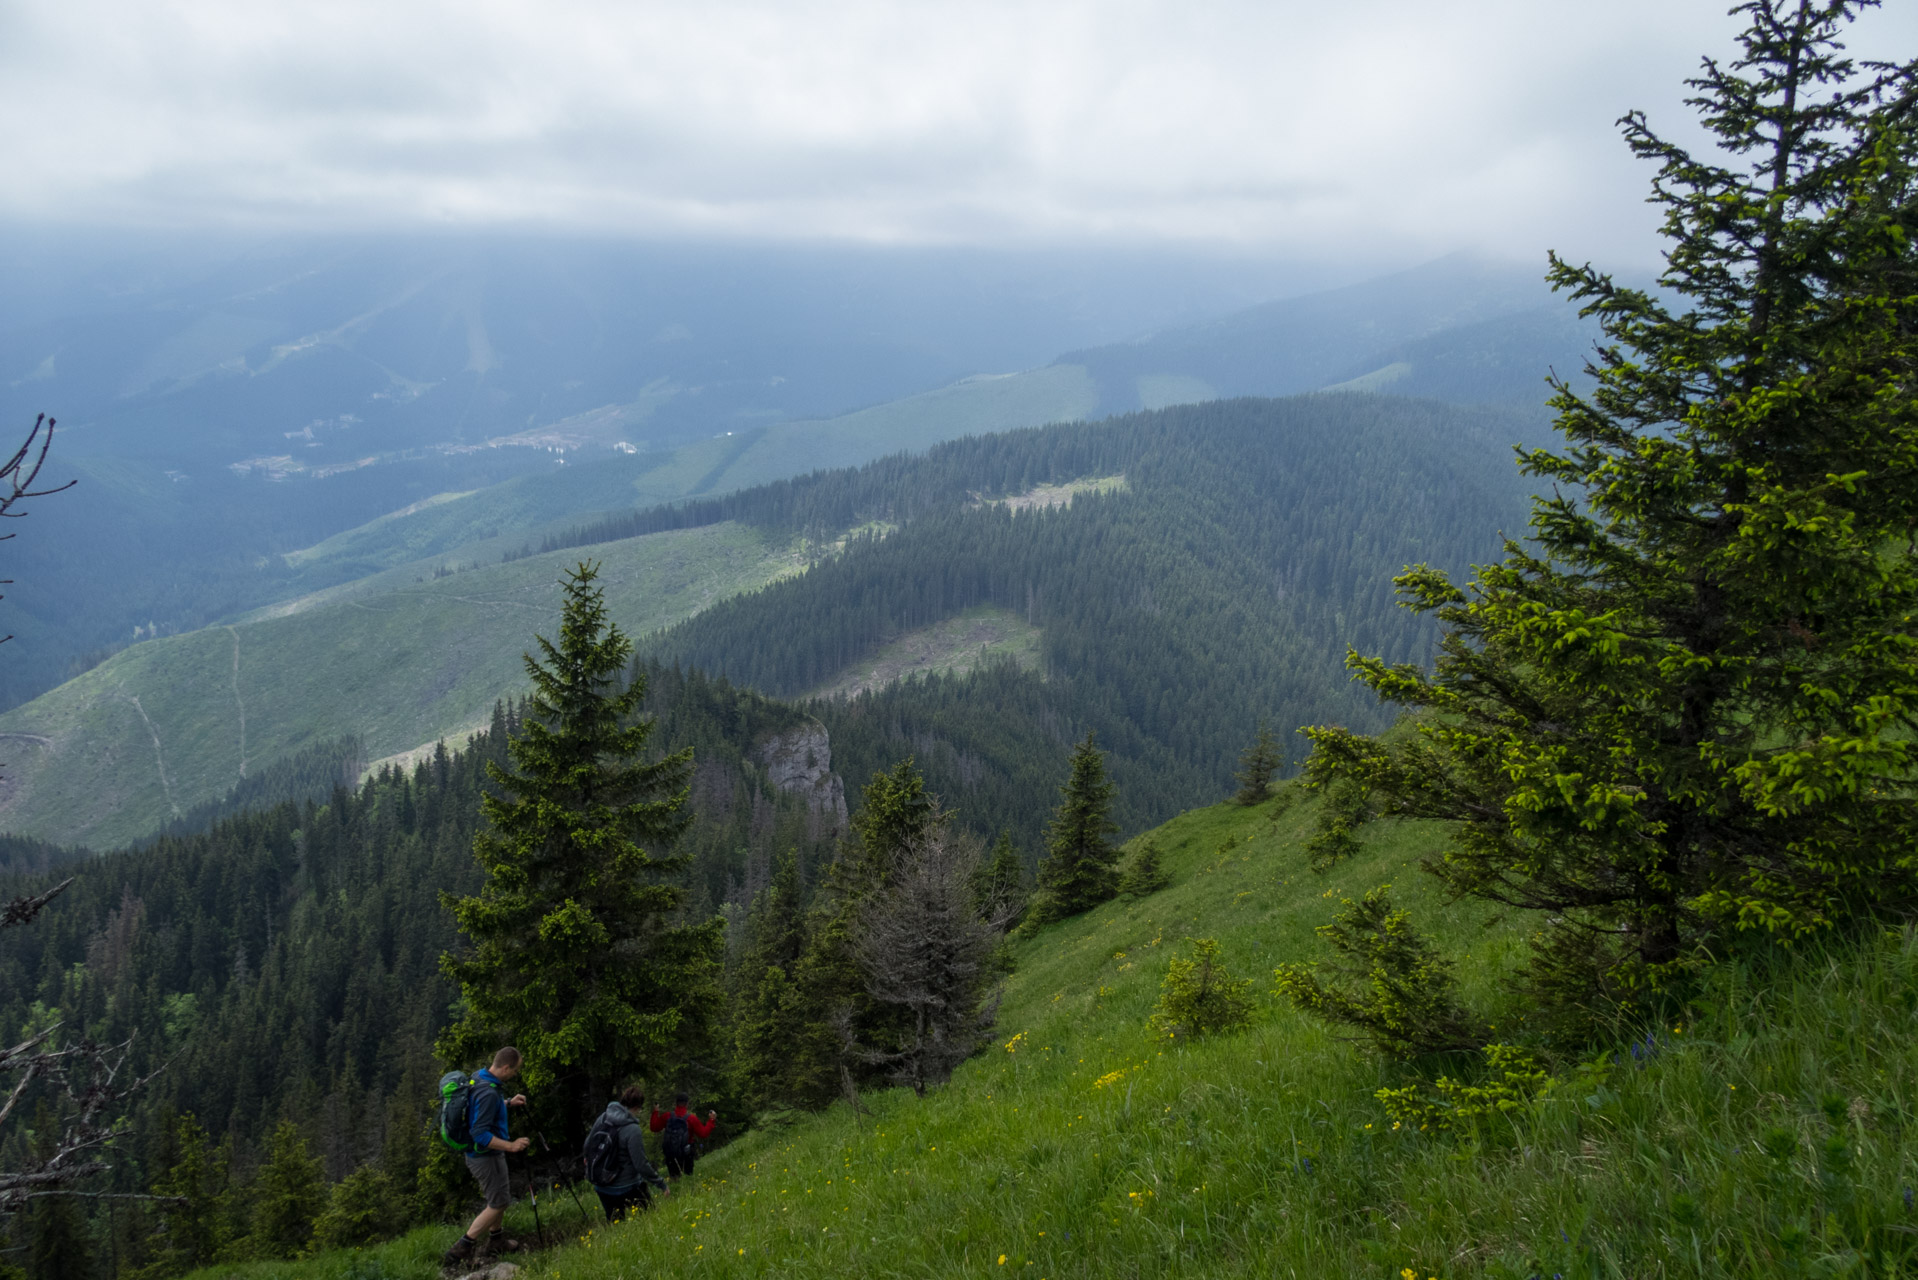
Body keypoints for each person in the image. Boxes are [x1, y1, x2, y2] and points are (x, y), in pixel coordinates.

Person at [441, 1047, 531, 1270]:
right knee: (498, 1202)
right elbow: (479, 1134)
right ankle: (461, 1247)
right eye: (515, 1070)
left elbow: (478, 1109)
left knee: (500, 1196)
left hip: (489, 1154)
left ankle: (496, 1240)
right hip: (483, 1156)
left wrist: (508, 1103)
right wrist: (511, 1146)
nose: (515, 1074)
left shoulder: (481, 1077)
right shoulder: (489, 1092)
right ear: (506, 1067)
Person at [584, 1084, 670, 1221]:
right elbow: (640, 1164)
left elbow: (587, 1145)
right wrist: (661, 1184)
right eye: (640, 1109)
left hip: (601, 1186)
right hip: (626, 1186)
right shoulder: (632, 1129)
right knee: (650, 1218)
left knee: (616, 1223)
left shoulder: (603, 1117)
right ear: (636, 1107)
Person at [649, 1091, 716, 1183]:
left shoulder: (667, 1116)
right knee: (688, 1178)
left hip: (670, 1153)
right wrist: (711, 1120)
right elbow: (703, 1133)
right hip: (686, 1153)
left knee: (674, 1178)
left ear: (675, 1103)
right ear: (687, 1103)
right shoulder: (691, 1118)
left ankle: (675, 1192)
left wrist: (655, 1112)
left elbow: (654, 1127)